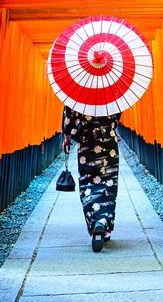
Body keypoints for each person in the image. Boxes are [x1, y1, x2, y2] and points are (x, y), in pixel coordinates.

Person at [62, 104, 121, 252]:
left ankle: (95, 221)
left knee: (88, 182)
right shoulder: (111, 91)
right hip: (108, 142)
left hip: (86, 140)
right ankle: (104, 222)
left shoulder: (78, 93)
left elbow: (69, 115)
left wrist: (67, 136)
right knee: (109, 183)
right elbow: (118, 113)